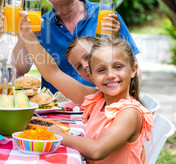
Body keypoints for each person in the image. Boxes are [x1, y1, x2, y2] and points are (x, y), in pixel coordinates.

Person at [17, 17, 153, 163]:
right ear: (92, 77)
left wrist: (61, 136)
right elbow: (52, 73)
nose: (111, 75)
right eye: (101, 70)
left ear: (133, 70)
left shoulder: (130, 114)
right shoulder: (98, 99)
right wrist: (28, 35)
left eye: (118, 67)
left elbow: (96, 150)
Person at [14, 0, 139, 93]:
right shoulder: (38, 25)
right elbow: (19, 68)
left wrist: (115, 39)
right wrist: (23, 34)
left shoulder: (106, 17)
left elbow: (133, 69)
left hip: (103, 105)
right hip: (57, 112)